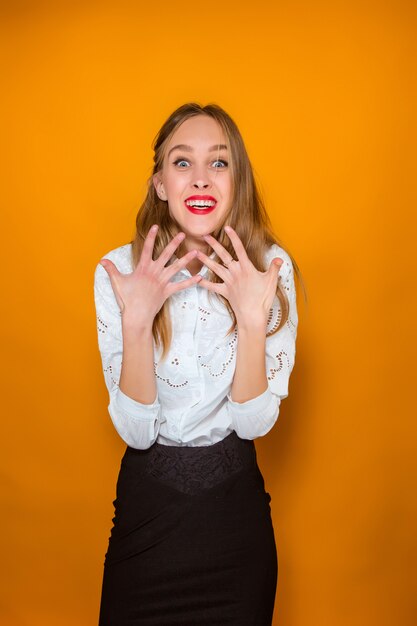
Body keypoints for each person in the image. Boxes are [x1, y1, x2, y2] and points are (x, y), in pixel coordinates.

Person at [94, 102, 301, 625]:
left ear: (238, 180)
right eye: (182, 162)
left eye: (220, 162)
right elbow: (137, 434)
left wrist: (253, 320)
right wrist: (138, 320)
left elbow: (254, 423)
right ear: (160, 183)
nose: (201, 178)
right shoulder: (119, 271)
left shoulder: (270, 268)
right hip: (147, 519)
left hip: (235, 526)